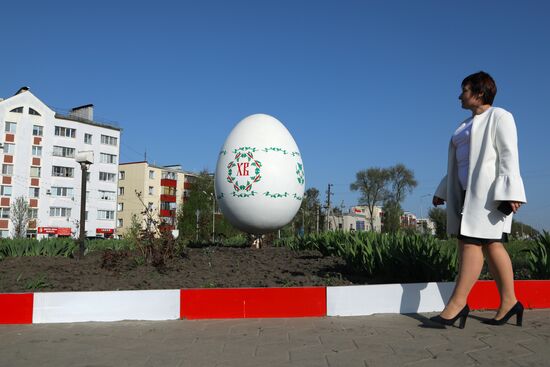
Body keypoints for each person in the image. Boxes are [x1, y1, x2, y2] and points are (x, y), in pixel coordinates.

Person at [430, 71, 526, 328]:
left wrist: (512, 191)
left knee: (471, 244)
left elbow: (509, 155)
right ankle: (510, 302)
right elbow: (459, 163)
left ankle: (457, 305)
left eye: (464, 90)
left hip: (489, 196)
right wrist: (443, 189)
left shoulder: (500, 116)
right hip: (465, 194)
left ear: (479, 92)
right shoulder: (464, 125)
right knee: (492, 246)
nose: (460, 95)